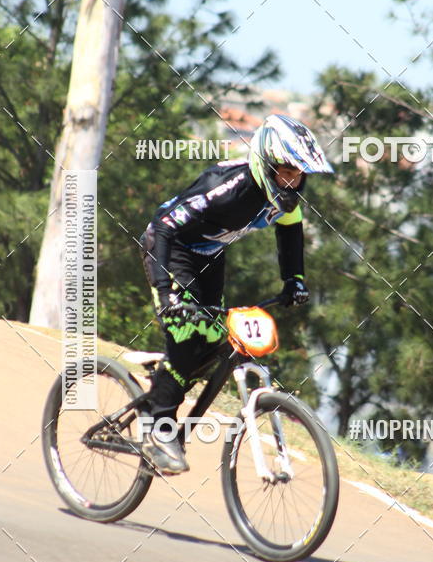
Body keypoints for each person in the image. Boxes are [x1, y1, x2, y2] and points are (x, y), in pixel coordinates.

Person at [139, 113, 334, 474]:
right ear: (266, 163)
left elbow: (290, 236)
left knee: (215, 339)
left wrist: (295, 280)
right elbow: (164, 229)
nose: (292, 182)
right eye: (286, 171)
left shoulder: (285, 200)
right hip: (171, 248)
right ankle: (157, 426)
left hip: (210, 255)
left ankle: (164, 380)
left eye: (298, 174)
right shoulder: (229, 186)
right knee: (185, 337)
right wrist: (166, 295)